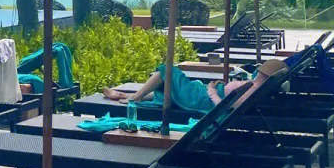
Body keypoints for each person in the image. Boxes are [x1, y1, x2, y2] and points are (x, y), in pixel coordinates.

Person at [103, 55, 286, 115]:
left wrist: (212, 91)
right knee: (167, 90)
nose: (259, 71)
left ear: (265, 75)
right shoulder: (255, 84)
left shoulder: (253, 90)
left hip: (202, 99)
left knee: (168, 71)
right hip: (203, 94)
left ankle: (135, 96)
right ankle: (124, 95)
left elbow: (227, 107)